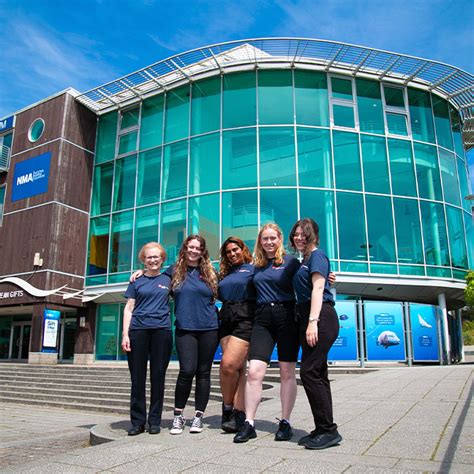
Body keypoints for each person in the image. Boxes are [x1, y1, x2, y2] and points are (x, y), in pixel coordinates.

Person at [234, 223, 300, 443]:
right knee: (253, 372)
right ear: (260, 241)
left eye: (273, 238)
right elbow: (232, 278)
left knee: (286, 373)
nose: (269, 242)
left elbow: (310, 281)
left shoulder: (291, 262)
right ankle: (249, 423)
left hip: (287, 317)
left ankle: (285, 422)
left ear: (280, 239)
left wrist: (328, 278)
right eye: (265, 239)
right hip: (262, 319)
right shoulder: (256, 265)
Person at [289, 218, 342, 450]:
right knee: (318, 373)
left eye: (303, 234)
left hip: (320, 318)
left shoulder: (318, 256)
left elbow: (319, 289)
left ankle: (328, 430)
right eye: (296, 234)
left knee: (310, 372)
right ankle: (324, 428)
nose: (299, 237)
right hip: (310, 316)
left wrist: (312, 322)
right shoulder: (306, 260)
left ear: (313, 235)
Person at [168, 234, 219, 435]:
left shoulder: (211, 272)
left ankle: (198, 417)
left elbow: (232, 287)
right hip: (185, 328)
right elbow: (155, 280)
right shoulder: (174, 270)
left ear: (202, 251)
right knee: (187, 371)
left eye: (198, 248)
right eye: (190, 247)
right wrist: (139, 274)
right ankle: (178, 416)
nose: (193, 251)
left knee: (204, 373)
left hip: (209, 327)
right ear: (185, 248)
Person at [122, 242, 173, 436]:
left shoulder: (169, 279)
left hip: (162, 331)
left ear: (162, 259)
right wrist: (125, 334)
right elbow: (129, 308)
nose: (153, 260)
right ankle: (137, 422)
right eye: (149, 257)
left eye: (156, 257)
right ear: (144, 260)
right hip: (138, 331)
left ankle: (154, 421)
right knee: (137, 379)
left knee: (158, 378)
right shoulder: (136, 280)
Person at [218, 237, 255, 433]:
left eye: (235, 250)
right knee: (236, 369)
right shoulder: (224, 274)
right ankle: (235, 413)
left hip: (245, 318)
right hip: (225, 319)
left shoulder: (254, 268)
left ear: (243, 249)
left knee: (228, 364)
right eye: (228, 252)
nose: (232, 254)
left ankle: (229, 409)